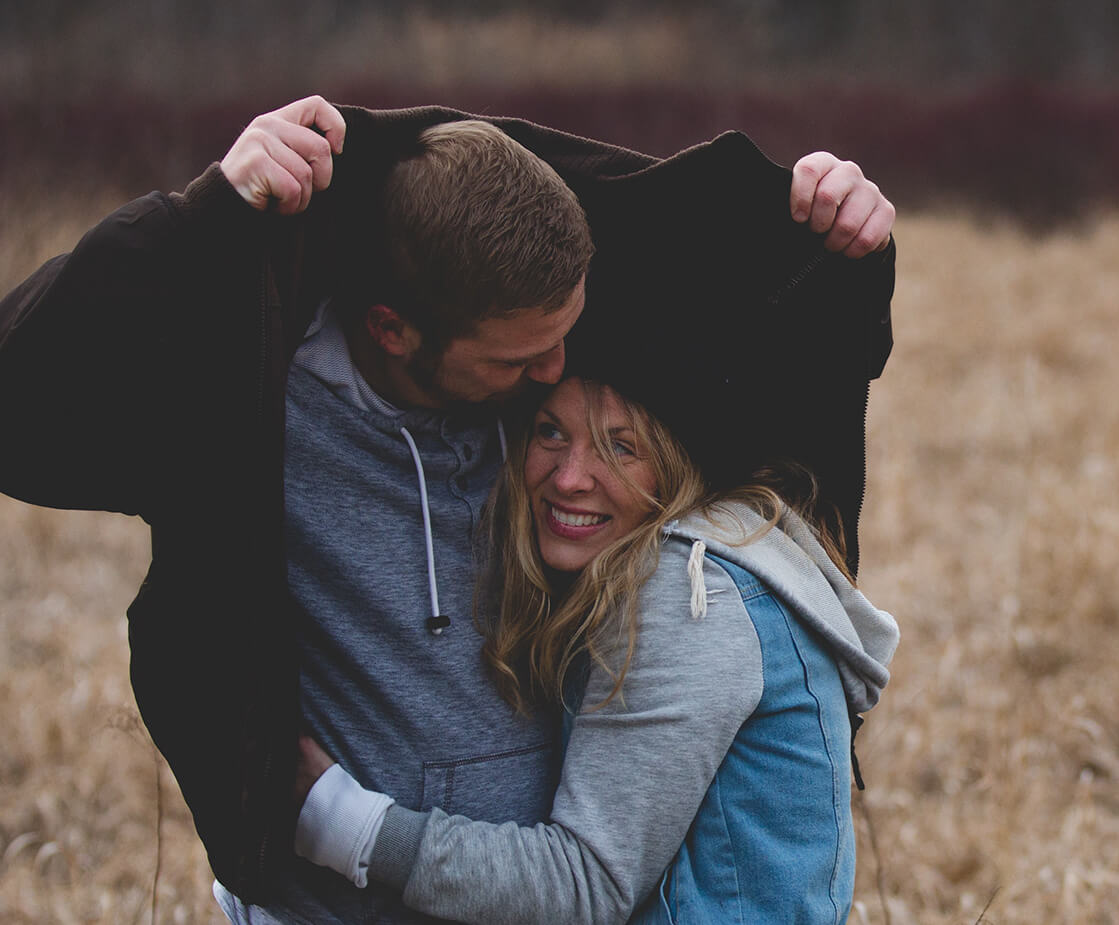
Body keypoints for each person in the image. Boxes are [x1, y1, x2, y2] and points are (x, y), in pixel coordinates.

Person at [0, 95, 896, 924]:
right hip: (329, 899)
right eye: (519, 368)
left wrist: (836, 219)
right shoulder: (248, 396)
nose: (553, 374)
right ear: (394, 330)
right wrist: (205, 214)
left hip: (524, 896)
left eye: (562, 344)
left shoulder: (540, 351)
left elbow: (749, 309)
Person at [291, 373, 898, 924]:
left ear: (678, 464)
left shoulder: (690, 594)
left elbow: (586, 884)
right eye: (551, 432)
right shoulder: (703, 560)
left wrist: (343, 822)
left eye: (621, 447)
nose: (569, 477)